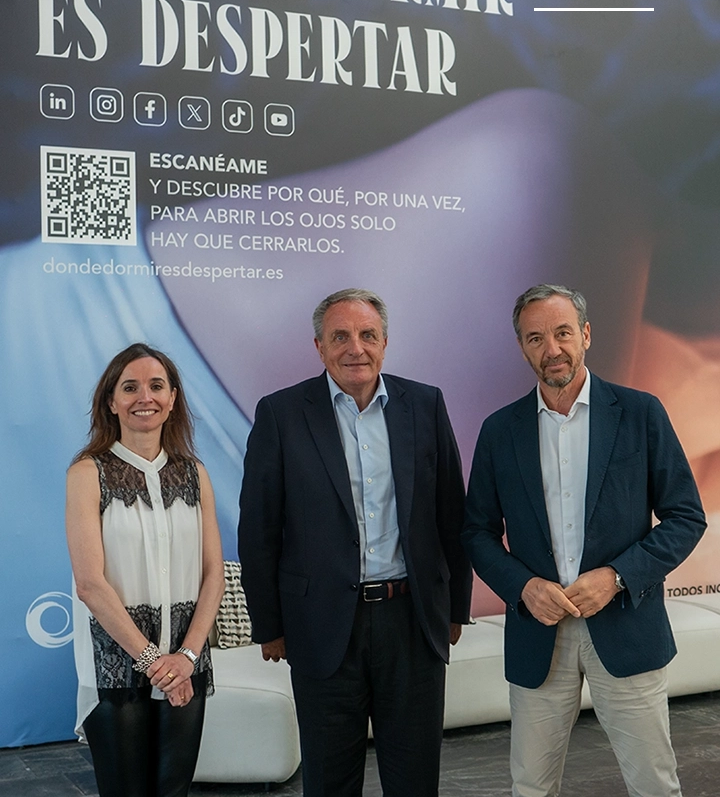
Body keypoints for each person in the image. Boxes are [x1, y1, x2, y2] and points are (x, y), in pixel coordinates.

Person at [462, 284, 707, 797]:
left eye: (562, 333)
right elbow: (476, 532)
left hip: (626, 626)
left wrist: (618, 577)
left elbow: (686, 517)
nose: (551, 349)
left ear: (586, 335)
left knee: (655, 786)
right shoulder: (499, 430)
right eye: (535, 338)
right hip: (538, 631)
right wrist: (523, 586)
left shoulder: (641, 413)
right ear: (522, 347)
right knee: (530, 786)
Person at [238, 288, 472, 797]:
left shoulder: (425, 404)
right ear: (319, 346)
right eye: (340, 336)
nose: (355, 348)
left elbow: (450, 513)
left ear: (385, 342)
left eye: (368, 335)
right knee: (329, 780)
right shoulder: (281, 413)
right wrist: (269, 625)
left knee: (414, 780)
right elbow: (258, 529)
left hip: (411, 621)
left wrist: (455, 608)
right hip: (320, 626)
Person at [66, 343, 225, 797]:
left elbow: (213, 573)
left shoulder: (195, 473)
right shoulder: (87, 472)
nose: (145, 397)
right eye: (130, 387)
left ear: (172, 398)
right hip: (115, 661)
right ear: (111, 401)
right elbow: (90, 584)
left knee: (172, 791)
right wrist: (155, 662)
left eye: (156, 386)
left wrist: (187, 657)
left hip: (187, 658)